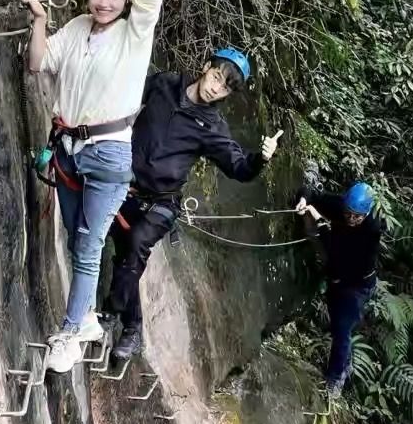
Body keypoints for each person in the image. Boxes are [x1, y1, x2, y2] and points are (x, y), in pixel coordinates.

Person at [24, 0, 163, 374]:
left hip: (107, 157)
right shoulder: (79, 27)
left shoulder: (134, 34)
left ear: (126, 1)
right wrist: (41, 23)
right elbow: (39, 62)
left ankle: (69, 333)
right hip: (67, 152)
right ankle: (84, 320)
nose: (104, 2)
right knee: (75, 240)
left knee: (87, 246)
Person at [101, 49, 283, 361]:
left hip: (161, 203)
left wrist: (261, 159)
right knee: (125, 262)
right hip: (124, 189)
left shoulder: (212, 127)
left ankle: (108, 315)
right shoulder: (165, 84)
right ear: (205, 67)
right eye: (216, 77)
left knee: (136, 244)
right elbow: (127, 96)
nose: (215, 87)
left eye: (225, 87)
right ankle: (133, 329)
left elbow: (238, 167)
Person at [295, 181, 383, 398]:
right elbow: (312, 192)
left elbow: (339, 255)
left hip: (358, 285)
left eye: (357, 216)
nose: (351, 219)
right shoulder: (340, 207)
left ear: (366, 214)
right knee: (337, 326)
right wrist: (304, 201)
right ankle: (345, 364)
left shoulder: (371, 231)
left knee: (342, 329)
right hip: (337, 279)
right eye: (349, 214)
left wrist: (319, 223)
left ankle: (334, 379)